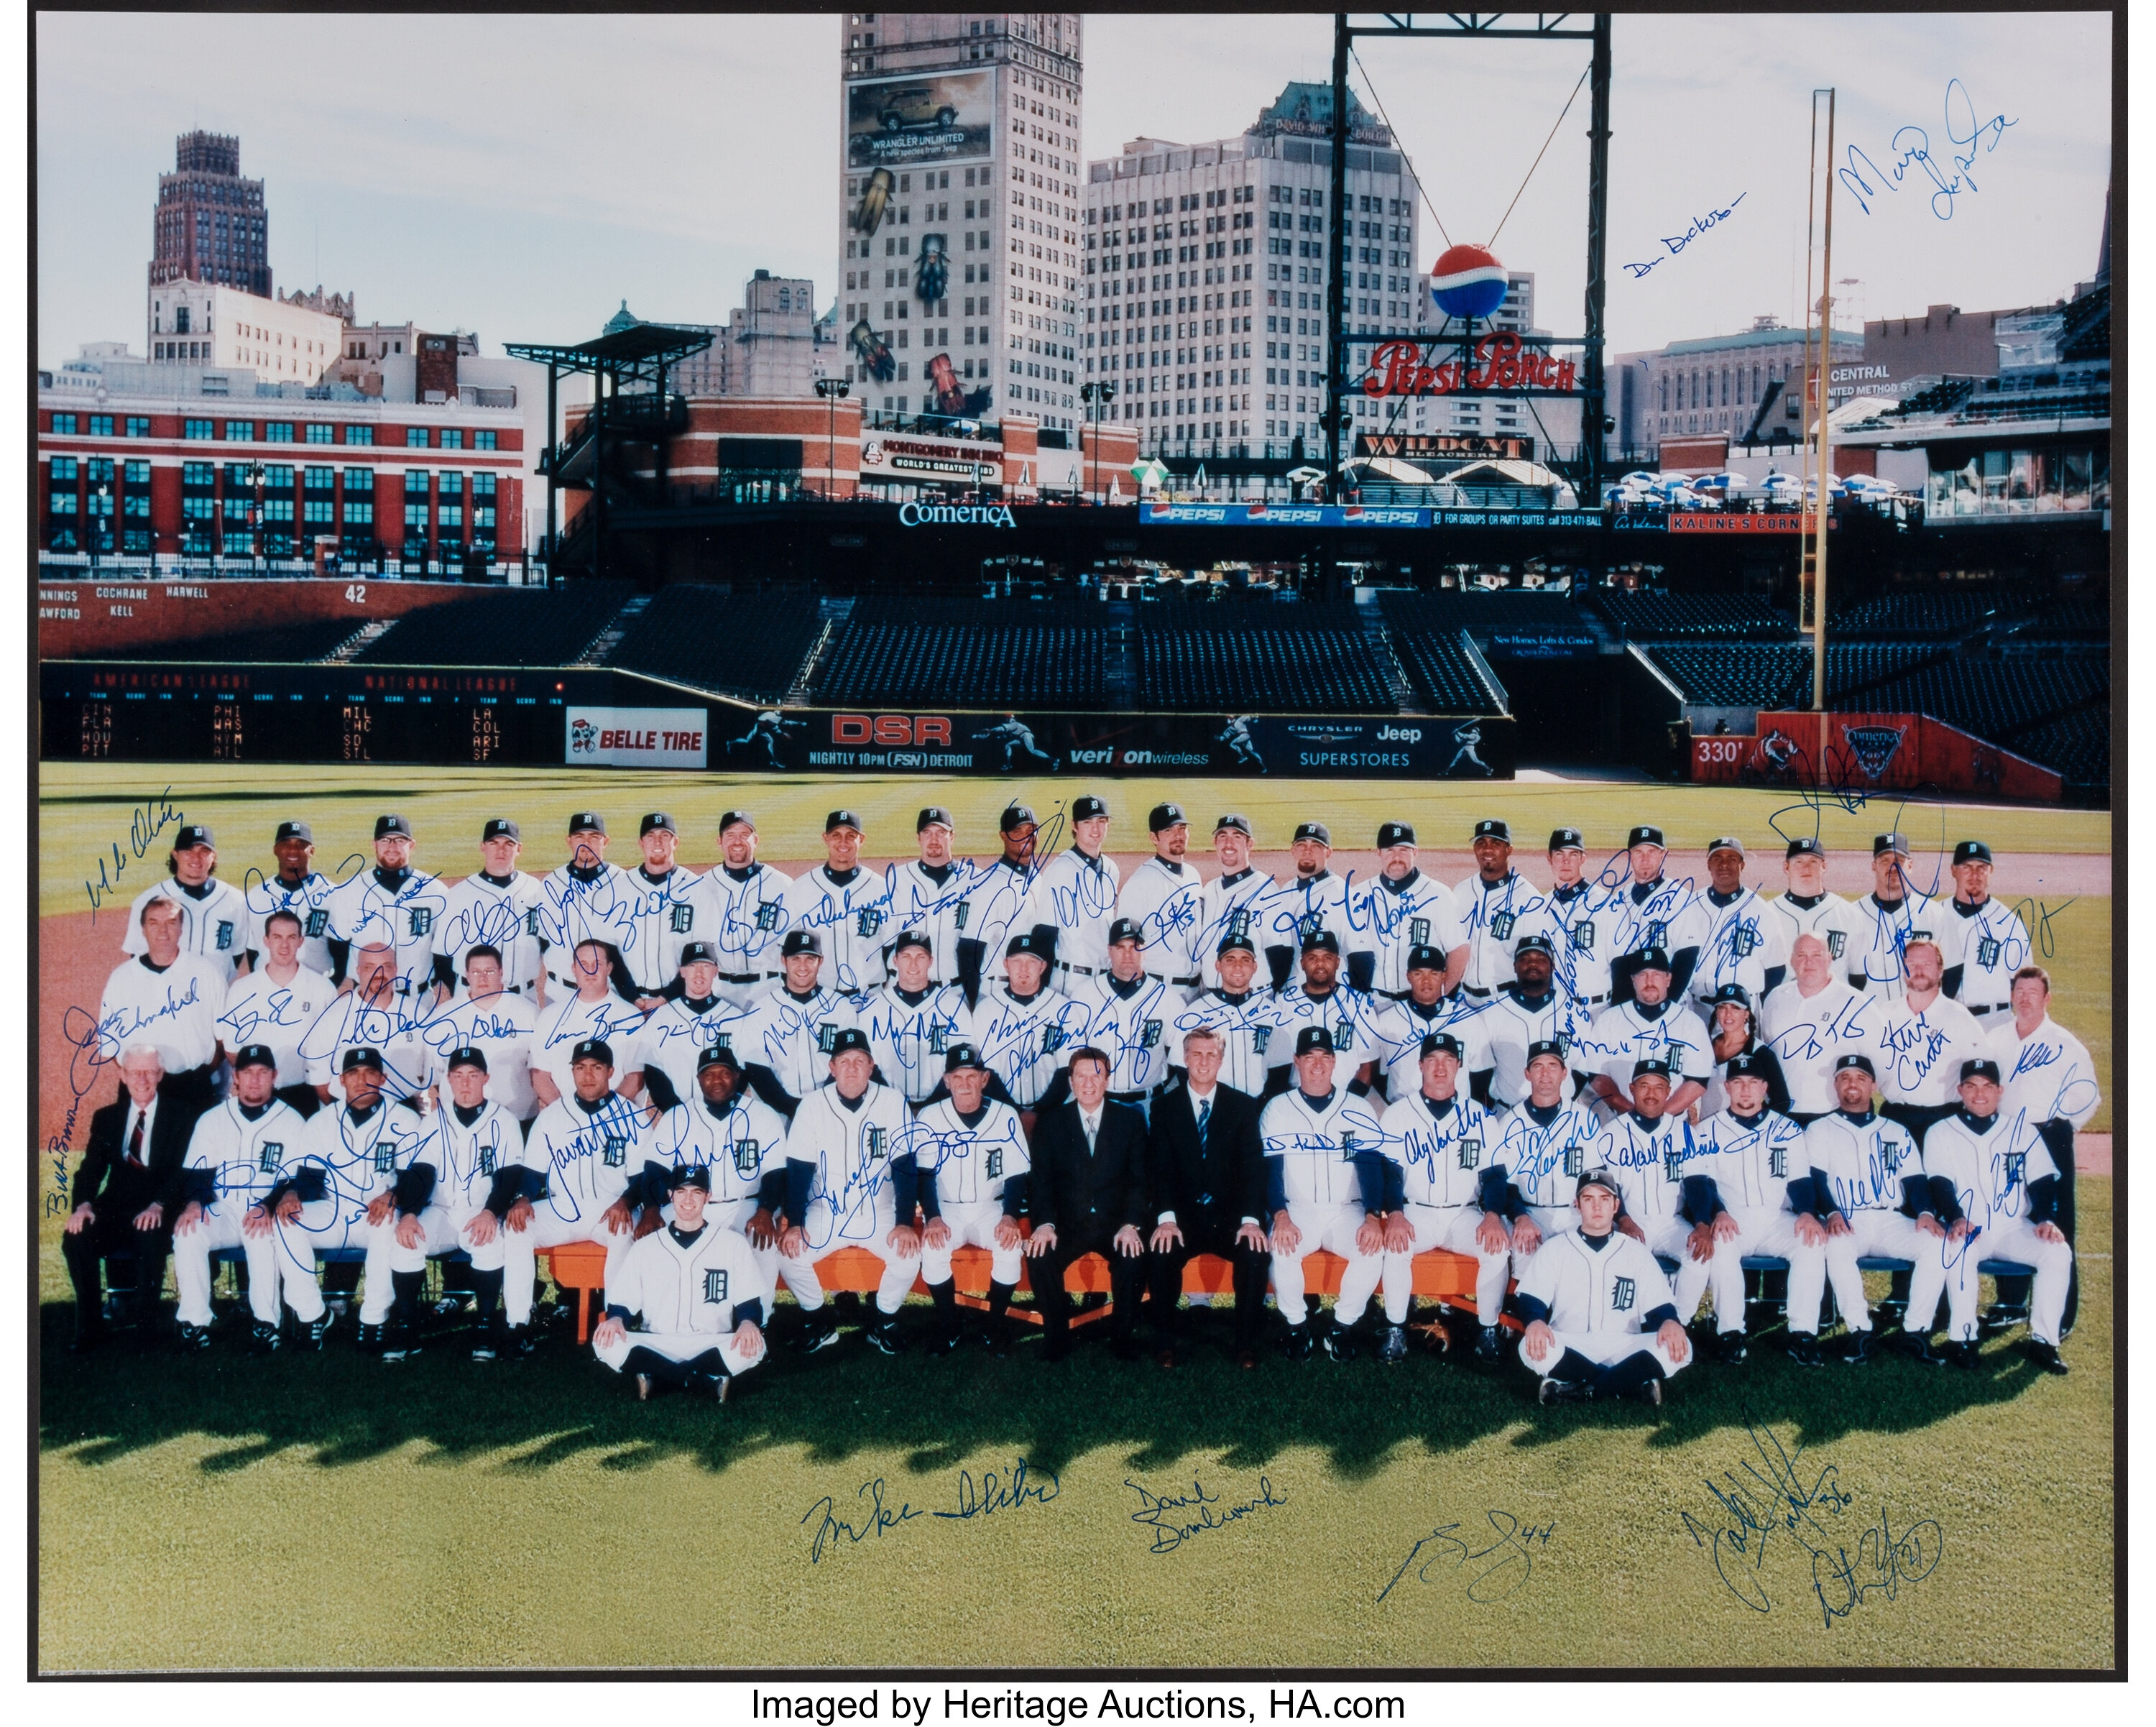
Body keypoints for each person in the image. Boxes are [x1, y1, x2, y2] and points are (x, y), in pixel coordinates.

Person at [1906, 1059, 2073, 1375]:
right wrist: (1955, 1217)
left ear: (2000, 1091)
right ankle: (1963, 1337)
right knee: (1956, 1249)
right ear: (1960, 1091)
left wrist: (2045, 1220)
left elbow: (2041, 1182)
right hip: (1969, 1224)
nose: (1979, 1094)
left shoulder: (2022, 1130)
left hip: (2014, 1227)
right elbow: (1939, 1183)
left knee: (2057, 1252)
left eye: (1987, 1087)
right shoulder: (1940, 1132)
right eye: (1971, 1086)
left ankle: (2044, 1341)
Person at [274, 1048, 431, 1351]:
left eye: (370, 1073)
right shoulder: (322, 1121)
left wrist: (393, 1194)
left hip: (377, 1211)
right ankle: (313, 1315)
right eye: (354, 1074)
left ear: (383, 1079)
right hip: (335, 1209)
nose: (362, 1081)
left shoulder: (404, 1119)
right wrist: (292, 1194)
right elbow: (308, 1176)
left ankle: (374, 1319)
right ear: (342, 1080)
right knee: (285, 1222)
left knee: (387, 1222)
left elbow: (417, 1175)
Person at [775, 1029, 921, 1355]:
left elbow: (905, 1165)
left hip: (879, 1211)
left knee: (909, 1254)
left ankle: (882, 1319)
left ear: (871, 1066)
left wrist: (904, 1222)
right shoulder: (812, 1105)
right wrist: (795, 1222)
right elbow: (799, 1169)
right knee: (787, 1254)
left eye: (860, 1060)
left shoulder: (893, 1101)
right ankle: (820, 1320)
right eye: (845, 1061)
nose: (852, 1067)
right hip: (827, 1213)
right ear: (832, 1067)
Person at [1372, 1031, 1512, 1365]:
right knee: (1397, 1246)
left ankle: (1488, 1330)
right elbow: (1389, 1173)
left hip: (1463, 1214)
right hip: (1415, 1212)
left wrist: (1492, 1215)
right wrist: (1394, 1214)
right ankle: (1395, 1329)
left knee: (1498, 1247)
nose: (1440, 1067)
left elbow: (1494, 1175)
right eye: (1432, 1060)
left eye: (1448, 1060)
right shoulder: (1398, 1114)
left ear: (1459, 1066)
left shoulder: (1480, 1115)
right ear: (1420, 1065)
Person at [1257, 1027, 1389, 1362]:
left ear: (1334, 1062)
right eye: (1309, 1058)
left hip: (1347, 1210)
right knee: (1283, 1248)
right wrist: (1281, 1217)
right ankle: (1296, 1324)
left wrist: (1373, 1217)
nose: (1317, 1065)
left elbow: (1372, 1167)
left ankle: (1341, 1326)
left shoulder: (1358, 1108)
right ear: (1296, 1062)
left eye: (1325, 1057)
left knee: (1372, 1250)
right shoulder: (1277, 1108)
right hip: (1297, 1210)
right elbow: (1270, 1172)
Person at [1144, 1027, 1270, 1368]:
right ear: (1184, 1059)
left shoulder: (1242, 1107)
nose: (1203, 1061)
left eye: (1211, 1054)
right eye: (1196, 1054)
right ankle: (1165, 1341)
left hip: (1228, 1217)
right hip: (1184, 1216)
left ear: (1221, 1059)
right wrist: (1167, 1218)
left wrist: (1250, 1221)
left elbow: (1252, 1170)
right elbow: (1161, 1169)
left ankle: (1245, 1343)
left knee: (1255, 1251)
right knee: (1162, 1248)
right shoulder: (1164, 1108)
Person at [1514, 1167, 1692, 1406]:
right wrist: (1535, 1322)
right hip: (1570, 1343)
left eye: (1604, 1199)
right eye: (1589, 1199)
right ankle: (1631, 1384)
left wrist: (1670, 1322)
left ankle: (1579, 1389)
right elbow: (1531, 1299)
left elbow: (1659, 1306)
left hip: (1624, 1344)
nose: (1597, 1207)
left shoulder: (1636, 1251)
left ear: (1616, 1206)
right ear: (1577, 1204)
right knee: (1530, 1345)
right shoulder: (1556, 1248)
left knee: (1681, 1347)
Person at [592, 1164, 770, 1402]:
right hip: (657, 1341)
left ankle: (657, 1375)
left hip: (713, 1340)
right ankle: (703, 1376)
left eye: (697, 1192)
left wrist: (748, 1323)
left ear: (709, 1197)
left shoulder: (733, 1244)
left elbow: (749, 1301)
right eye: (681, 1191)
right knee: (604, 1340)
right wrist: (615, 1319)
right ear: (670, 1195)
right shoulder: (646, 1246)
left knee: (755, 1345)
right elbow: (623, 1300)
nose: (688, 1199)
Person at [1795, 1053, 1929, 1366]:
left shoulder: (1896, 1131)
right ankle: (1860, 1331)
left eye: (1860, 1078)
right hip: (1846, 1217)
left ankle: (1915, 1330)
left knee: (1937, 1246)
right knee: (1837, 1247)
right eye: (1844, 1078)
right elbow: (1816, 1179)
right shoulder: (1819, 1129)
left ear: (1873, 1086)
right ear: (1835, 1086)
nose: (1852, 1084)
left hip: (1890, 1218)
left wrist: (1925, 1213)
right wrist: (1831, 1212)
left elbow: (1916, 1180)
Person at [61, 1043, 198, 1350]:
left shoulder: (182, 1115)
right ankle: (90, 1328)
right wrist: (83, 1205)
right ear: (122, 1075)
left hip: (160, 1206)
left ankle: (146, 1328)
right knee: (77, 1236)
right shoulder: (107, 1117)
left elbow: (182, 1170)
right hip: (115, 1207)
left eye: (149, 1072)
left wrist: (158, 1204)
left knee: (149, 1234)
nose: (142, 1079)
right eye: (135, 1072)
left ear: (160, 1074)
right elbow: (90, 1170)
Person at [1988, 964, 2099, 1337]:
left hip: (2049, 1136)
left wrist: (2059, 1128)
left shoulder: (2066, 1044)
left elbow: (2088, 1097)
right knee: (2009, 1216)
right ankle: (2010, 1304)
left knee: (2058, 1224)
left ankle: (2060, 1316)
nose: (2025, 998)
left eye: (2033, 992)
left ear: (2047, 998)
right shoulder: (1997, 1039)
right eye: (2019, 991)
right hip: (2006, 1138)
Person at [168, 1044, 301, 1353]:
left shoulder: (292, 1120)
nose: (255, 1080)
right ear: (236, 1078)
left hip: (265, 1208)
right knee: (189, 1231)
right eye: (247, 1073)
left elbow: (293, 1178)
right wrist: (193, 1204)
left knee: (262, 1236)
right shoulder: (212, 1119)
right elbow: (197, 1173)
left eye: (262, 1072)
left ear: (274, 1077)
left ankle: (266, 1325)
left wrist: (267, 1207)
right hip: (225, 1209)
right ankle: (194, 1322)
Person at [1685, 1051, 1814, 1363]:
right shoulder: (1706, 1130)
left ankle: (1803, 1333)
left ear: (1765, 1087)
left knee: (1811, 1243)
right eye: (1738, 1082)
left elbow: (1800, 1181)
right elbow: (1701, 1181)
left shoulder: (1788, 1129)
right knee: (1723, 1245)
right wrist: (1717, 1212)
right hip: (1733, 1217)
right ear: (1726, 1087)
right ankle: (1731, 1332)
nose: (1746, 1089)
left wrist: (1808, 1212)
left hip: (1777, 1217)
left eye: (1753, 1083)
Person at [1023, 1045, 1150, 1363]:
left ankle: (1122, 1338)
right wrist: (1045, 1224)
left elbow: (1140, 1179)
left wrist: (1131, 1224)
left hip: (1115, 1223)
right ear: (1070, 1081)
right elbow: (1042, 1182)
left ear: (1108, 1080)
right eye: (1081, 1076)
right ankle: (1057, 1337)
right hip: (1068, 1223)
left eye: (1097, 1075)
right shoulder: (1052, 1124)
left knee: (1133, 1258)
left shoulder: (1130, 1121)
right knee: (1040, 1257)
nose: (1089, 1083)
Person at [510, 1038, 651, 1321]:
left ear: (611, 1072)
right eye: (580, 1067)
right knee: (516, 1228)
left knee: (622, 1232)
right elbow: (533, 1173)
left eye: (596, 1067)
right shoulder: (552, 1117)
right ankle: (518, 1322)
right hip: (563, 1207)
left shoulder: (632, 1116)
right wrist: (523, 1199)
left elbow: (642, 1177)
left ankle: (617, 1318)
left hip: (611, 1208)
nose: (587, 1076)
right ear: (571, 1071)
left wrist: (625, 1202)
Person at [908, 1043, 1031, 1354]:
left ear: (984, 1079)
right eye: (957, 1077)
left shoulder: (1005, 1115)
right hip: (946, 1209)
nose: (965, 1084)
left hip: (991, 1207)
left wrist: (1009, 1216)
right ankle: (949, 1326)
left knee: (1009, 1245)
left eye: (972, 1076)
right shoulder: (931, 1115)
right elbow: (924, 1174)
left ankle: (994, 1326)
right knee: (933, 1250)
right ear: (947, 1080)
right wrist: (932, 1216)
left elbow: (1016, 1174)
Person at [643, 1046, 788, 1296]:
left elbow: (775, 1172)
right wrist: (651, 1210)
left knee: (762, 1240)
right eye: (709, 1074)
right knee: (653, 1241)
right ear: (699, 1080)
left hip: (747, 1205)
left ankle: (759, 1320)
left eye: (724, 1073)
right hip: (690, 1206)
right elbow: (655, 1168)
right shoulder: (678, 1117)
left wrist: (766, 1211)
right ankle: (662, 1317)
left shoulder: (764, 1116)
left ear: (737, 1076)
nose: (717, 1081)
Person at [420, 1046, 533, 1360]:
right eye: (458, 1076)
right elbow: (420, 1174)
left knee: (489, 1241)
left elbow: (509, 1176)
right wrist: (409, 1215)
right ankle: (405, 1324)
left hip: (480, 1210)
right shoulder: (433, 1123)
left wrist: (489, 1213)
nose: (465, 1083)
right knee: (405, 1241)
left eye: (473, 1076)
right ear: (448, 1080)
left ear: (486, 1079)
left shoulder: (505, 1120)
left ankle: (484, 1325)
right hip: (439, 1211)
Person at [98, 896, 226, 1110]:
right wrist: (139, 1075)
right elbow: (109, 1044)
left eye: (171, 922)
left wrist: (201, 1072)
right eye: (154, 923)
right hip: (140, 1088)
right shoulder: (121, 977)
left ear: (181, 929)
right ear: (143, 929)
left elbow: (224, 1036)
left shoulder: (206, 971)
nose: (163, 931)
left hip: (192, 1086)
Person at [1863, 932, 1989, 1145]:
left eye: (1927, 964)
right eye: (1912, 964)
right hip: (1895, 1116)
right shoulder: (1885, 1014)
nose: (1919, 971)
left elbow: (1983, 1073)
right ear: (1904, 970)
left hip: (1943, 1119)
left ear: (1940, 970)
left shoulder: (1959, 1018)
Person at [964, 931, 1089, 1125]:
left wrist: (1038, 1114)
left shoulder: (1064, 1008)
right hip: (1001, 1112)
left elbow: (1069, 1068)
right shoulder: (986, 1010)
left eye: (1031, 961)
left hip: (1054, 1112)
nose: (1024, 968)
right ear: (1006, 965)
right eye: (1016, 961)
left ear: (1043, 966)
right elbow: (986, 1072)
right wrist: (1016, 1113)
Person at [737, 930, 864, 1118]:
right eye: (796, 959)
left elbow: (847, 1063)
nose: (803, 966)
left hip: (830, 1106)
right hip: (777, 1109)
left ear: (820, 961)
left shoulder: (841, 1007)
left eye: (810, 959)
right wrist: (790, 1108)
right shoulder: (762, 1009)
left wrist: (820, 1103)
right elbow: (756, 1069)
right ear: (784, 960)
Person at [1495, 1042, 1605, 1259]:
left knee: (1585, 1261)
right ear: (1527, 1074)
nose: (1545, 1074)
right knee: (1527, 1262)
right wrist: (1520, 1217)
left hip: (1575, 1214)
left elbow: (1598, 1175)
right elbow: (1504, 1184)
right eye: (1538, 1066)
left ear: (1565, 1073)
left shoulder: (1584, 1119)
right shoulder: (1510, 1123)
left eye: (1553, 1066)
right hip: (1528, 1213)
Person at [217, 908, 331, 1118]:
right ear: (266, 941)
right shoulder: (243, 989)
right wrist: (257, 1080)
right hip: (258, 1095)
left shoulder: (322, 988)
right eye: (277, 937)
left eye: (291, 937)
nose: (285, 945)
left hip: (304, 1093)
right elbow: (232, 1050)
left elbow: (332, 1047)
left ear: (301, 941)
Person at [321, 814, 448, 998]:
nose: (392, 847)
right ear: (374, 844)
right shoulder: (349, 890)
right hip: (366, 997)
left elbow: (444, 950)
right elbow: (337, 947)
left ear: (412, 845)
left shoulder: (435, 891)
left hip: (418, 999)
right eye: (385, 840)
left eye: (399, 840)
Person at [1074, 918, 1187, 1118]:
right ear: (1109, 951)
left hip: (1151, 1103)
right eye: (1120, 947)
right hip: (1101, 1103)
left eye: (1135, 947)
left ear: (1145, 950)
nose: (1128, 954)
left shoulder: (1169, 999)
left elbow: (1179, 1062)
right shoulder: (1084, 995)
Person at [1580, 947, 1710, 1120]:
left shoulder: (1691, 1023)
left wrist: (1660, 1117)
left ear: (1668, 979)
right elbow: (1597, 1076)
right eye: (1642, 975)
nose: (1649, 982)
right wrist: (1630, 1114)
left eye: (1656, 974)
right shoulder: (1609, 1019)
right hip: (1619, 1119)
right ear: (1633, 980)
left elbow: (1698, 1081)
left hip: (1672, 1122)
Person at [627, 941, 754, 1112]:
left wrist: (722, 1108)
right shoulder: (661, 1018)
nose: (699, 973)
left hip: (723, 1113)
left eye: (706, 966)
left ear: (716, 971)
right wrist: (676, 1112)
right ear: (682, 971)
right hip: (677, 1114)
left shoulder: (734, 1016)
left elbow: (742, 1071)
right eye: (693, 966)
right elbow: (652, 1072)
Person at [122, 821, 254, 983]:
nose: (196, 858)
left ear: (214, 856)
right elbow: (137, 954)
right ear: (175, 854)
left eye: (204, 851)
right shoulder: (148, 900)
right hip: (166, 997)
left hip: (216, 994)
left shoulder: (235, 899)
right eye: (188, 851)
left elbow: (237, 952)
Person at [433, 818, 548, 1001]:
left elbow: (547, 944)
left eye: (508, 844)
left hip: (524, 997)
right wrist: (460, 994)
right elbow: (442, 955)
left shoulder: (536, 890)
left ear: (519, 849)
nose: (501, 850)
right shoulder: (458, 894)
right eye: (494, 843)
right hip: (472, 997)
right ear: (483, 847)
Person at [781, 809, 895, 995]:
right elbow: (787, 949)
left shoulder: (882, 889)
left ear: (862, 839)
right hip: (819, 996)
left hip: (871, 995)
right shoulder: (801, 888)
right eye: (836, 835)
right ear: (825, 838)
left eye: (851, 836)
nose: (843, 842)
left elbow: (893, 948)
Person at [1759, 933, 1869, 1124]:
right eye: (1801, 955)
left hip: (1834, 1113)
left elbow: (1880, 1061)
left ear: (1829, 959)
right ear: (1792, 961)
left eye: (1817, 955)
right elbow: (1767, 1053)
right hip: (1781, 1112)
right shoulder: (1775, 999)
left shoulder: (1856, 1003)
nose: (1808, 962)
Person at [690, 810, 794, 1008]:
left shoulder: (780, 884)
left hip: (769, 987)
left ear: (756, 840)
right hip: (720, 989)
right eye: (730, 835)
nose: (737, 841)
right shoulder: (703, 886)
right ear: (719, 841)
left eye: (744, 835)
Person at [1348, 821, 1460, 1003]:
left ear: (1415, 852)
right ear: (1379, 853)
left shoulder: (1439, 894)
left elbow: (1458, 950)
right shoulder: (1360, 895)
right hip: (1373, 1000)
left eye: (1404, 850)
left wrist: (1443, 995)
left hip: (1420, 1002)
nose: (1397, 857)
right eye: (1390, 850)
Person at [530, 939, 648, 1110]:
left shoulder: (631, 1016)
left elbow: (635, 1077)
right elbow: (540, 1076)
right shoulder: (550, 1016)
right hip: (566, 1116)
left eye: (597, 964)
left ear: (609, 968)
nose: (590, 970)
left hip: (615, 1115)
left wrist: (607, 1112)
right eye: (583, 964)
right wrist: (568, 1113)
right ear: (573, 969)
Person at [428, 946, 540, 1122]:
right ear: (466, 974)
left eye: (489, 971)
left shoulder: (528, 1012)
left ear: (501, 972)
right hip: (461, 1119)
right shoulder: (444, 1015)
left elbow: (540, 1070)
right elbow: (435, 1072)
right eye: (476, 972)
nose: (482, 978)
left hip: (519, 1117)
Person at [860, 932, 972, 1107]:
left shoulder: (954, 1007)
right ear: (895, 961)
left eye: (921, 956)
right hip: (887, 1105)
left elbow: (962, 1063)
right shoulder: (873, 1008)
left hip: (941, 1105)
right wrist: (893, 1102)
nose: (913, 964)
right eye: (906, 956)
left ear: (931, 961)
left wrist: (933, 1105)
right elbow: (868, 1064)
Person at [1171, 933, 1289, 1101]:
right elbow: (1182, 1066)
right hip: (1211, 1107)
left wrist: (1263, 1104)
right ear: (1218, 965)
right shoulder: (1195, 1012)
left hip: (1257, 1105)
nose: (1238, 966)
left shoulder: (1272, 1012)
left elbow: (1281, 1068)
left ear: (1255, 967)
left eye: (1245, 960)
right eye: (1230, 959)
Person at [1266, 930, 1381, 1099]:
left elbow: (1370, 1064)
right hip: (1293, 1099)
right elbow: (1273, 1063)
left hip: (1346, 1097)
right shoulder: (1282, 1003)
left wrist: (1349, 1101)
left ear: (1337, 962)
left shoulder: (1360, 1003)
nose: (1320, 964)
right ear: (1302, 963)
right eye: (1312, 958)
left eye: (1327, 957)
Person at [535, 813, 640, 999]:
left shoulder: (624, 882)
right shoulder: (551, 883)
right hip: (561, 992)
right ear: (569, 841)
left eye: (593, 837)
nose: (586, 843)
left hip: (610, 994)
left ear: (605, 841)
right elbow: (543, 940)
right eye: (579, 837)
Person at [1022, 793, 1122, 987]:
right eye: (1088, 822)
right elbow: (1045, 933)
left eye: (1101, 821)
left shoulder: (1112, 869)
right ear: (1074, 826)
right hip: (1070, 978)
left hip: (1104, 978)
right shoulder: (1060, 869)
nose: (1096, 828)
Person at [1604, 824, 1710, 1004]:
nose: (1645, 858)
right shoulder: (1619, 898)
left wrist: (1666, 1005)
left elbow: (1687, 957)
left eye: (1652, 852)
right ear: (1630, 856)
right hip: (1631, 1004)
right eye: (1639, 852)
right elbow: (1618, 961)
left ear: (1663, 855)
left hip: (1673, 1002)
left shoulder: (1680, 898)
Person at [1540, 826, 1625, 1051]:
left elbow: (1621, 965)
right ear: (1549, 859)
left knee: (1601, 1082)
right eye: (1560, 854)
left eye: (1573, 855)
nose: (1566, 861)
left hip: (1600, 1010)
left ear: (1583, 859)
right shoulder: (1541, 907)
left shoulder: (1606, 904)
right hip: (1558, 1013)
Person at [890, 807, 990, 995]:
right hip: (907, 989)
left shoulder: (976, 880)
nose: (934, 839)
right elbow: (885, 940)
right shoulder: (897, 879)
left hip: (956, 990)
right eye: (927, 833)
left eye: (941, 833)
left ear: (952, 837)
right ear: (918, 837)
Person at [1690, 837, 1790, 1018]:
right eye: (1717, 858)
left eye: (1732, 859)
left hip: (1743, 1012)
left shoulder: (1763, 912)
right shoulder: (1690, 906)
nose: (1724, 864)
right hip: (1697, 1008)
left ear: (1742, 865)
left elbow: (1776, 969)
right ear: (1708, 865)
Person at [1935, 839, 2032, 1023]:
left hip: (1994, 1020)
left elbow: (2024, 982)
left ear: (1991, 872)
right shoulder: (1934, 916)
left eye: (1981, 868)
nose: (1975, 875)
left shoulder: (2009, 923)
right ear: (1953, 871)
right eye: (1967, 868)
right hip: (1944, 1021)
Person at [1115, 803, 1207, 992]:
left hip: (1196, 989)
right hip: (1158, 987)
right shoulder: (1140, 882)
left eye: (1182, 828)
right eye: (1168, 830)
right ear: (1153, 838)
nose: (1178, 835)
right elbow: (1125, 944)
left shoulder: (1193, 875)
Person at [1467, 935, 1567, 1110]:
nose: (1533, 964)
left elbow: (1584, 1069)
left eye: (1541, 959)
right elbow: (1480, 1072)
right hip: (1507, 1110)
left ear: (1553, 967)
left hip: (1561, 1113)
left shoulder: (1572, 1011)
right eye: (1525, 959)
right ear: (1514, 966)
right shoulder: (1492, 1012)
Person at [617, 813, 706, 1009]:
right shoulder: (620, 887)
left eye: (665, 836)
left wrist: (665, 998)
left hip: (680, 998)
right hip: (626, 1000)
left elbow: (701, 952)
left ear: (676, 842)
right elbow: (610, 951)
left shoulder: (696, 887)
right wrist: (632, 997)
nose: (657, 841)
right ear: (641, 843)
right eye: (650, 836)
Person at [1449, 819, 1544, 1000]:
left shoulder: (1528, 898)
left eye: (1496, 843)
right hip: (1464, 998)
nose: (1487, 849)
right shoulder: (1462, 891)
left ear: (1509, 850)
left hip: (1507, 998)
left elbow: (1540, 962)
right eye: (1481, 843)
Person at [1194, 814, 1283, 991]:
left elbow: (1281, 952)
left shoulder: (1265, 889)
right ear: (1215, 843)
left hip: (1254, 997)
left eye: (1237, 837)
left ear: (1250, 844)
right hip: (1211, 997)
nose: (1229, 844)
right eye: (1223, 837)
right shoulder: (1209, 890)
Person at [244, 819, 338, 977]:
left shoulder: (332, 893)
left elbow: (341, 951)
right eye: (286, 844)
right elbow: (251, 950)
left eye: (301, 845)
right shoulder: (257, 895)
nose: (293, 850)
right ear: (275, 850)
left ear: (312, 851)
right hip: (267, 986)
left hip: (318, 986)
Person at [1848, 832, 1938, 998]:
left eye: (1899, 861)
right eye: (1884, 861)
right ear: (1874, 866)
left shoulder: (1934, 914)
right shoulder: (1852, 915)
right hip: (1869, 1015)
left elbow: (1950, 972)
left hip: (1920, 1017)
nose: (1893, 867)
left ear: (1910, 866)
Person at [1764, 836, 1858, 980]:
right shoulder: (1767, 914)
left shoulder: (1849, 914)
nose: (1806, 868)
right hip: (1782, 1001)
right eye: (1798, 862)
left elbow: (1859, 976)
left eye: (1813, 862)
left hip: (1835, 1001)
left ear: (1824, 866)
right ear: (1786, 867)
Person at [1697, 984, 1791, 1118]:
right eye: (1722, 1008)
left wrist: (1754, 1124)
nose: (1728, 1014)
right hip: (1709, 1128)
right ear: (1716, 1012)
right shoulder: (1706, 1045)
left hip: (1743, 1132)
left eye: (1736, 1008)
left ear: (1746, 1013)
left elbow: (1782, 1102)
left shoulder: (1761, 1053)